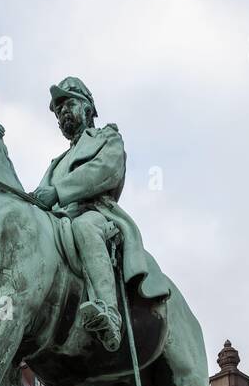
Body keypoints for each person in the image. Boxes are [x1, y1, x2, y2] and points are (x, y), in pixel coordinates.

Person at [33, 76, 169, 352]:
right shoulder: (55, 164)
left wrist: (58, 192)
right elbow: (39, 197)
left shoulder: (108, 138)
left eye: (68, 104)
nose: (63, 113)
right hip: (58, 224)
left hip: (95, 213)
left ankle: (108, 311)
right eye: (58, 111)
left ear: (88, 108)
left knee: (86, 228)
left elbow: (105, 171)